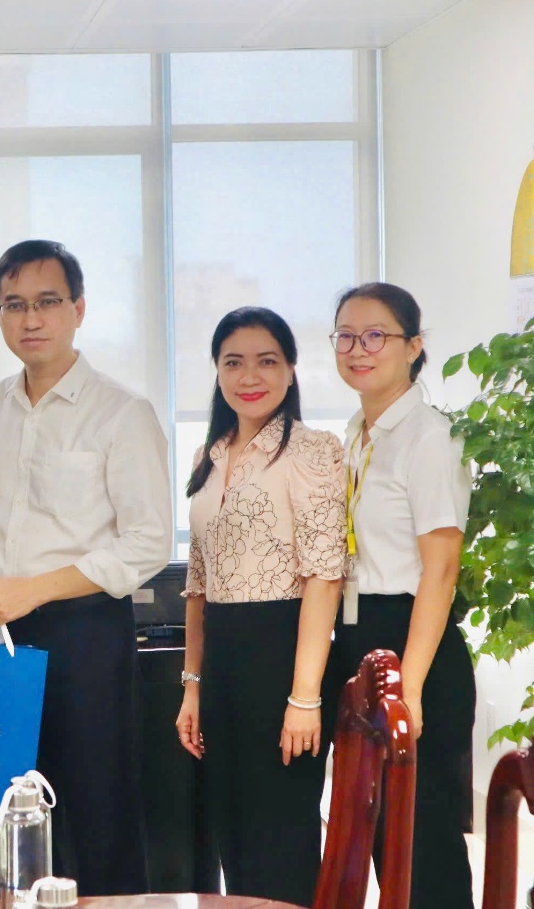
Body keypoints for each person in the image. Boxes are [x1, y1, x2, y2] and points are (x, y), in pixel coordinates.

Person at [0, 240, 172, 895]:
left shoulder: (122, 412)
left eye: (47, 301)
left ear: (78, 309)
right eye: (13, 305)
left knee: (96, 812)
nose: (31, 318)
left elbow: (147, 542)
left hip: (84, 631)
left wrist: (35, 590)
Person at [172, 307, 345, 907]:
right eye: (233, 362)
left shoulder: (314, 450)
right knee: (232, 832)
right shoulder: (209, 454)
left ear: (291, 370)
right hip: (221, 662)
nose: (250, 376)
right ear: (217, 372)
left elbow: (325, 578)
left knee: (282, 835)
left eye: (267, 361)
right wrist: (192, 687)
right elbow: (198, 583)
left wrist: (305, 697)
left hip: (283, 658)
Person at [322, 282, 475, 909]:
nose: (358, 349)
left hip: (415, 645)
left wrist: (407, 690)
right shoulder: (358, 433)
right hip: (361, 637)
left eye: (375, 336)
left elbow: (441, 570)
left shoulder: (428, 436)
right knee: (382, 835)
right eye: (346, 336)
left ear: (413, 346)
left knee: (425, 837)